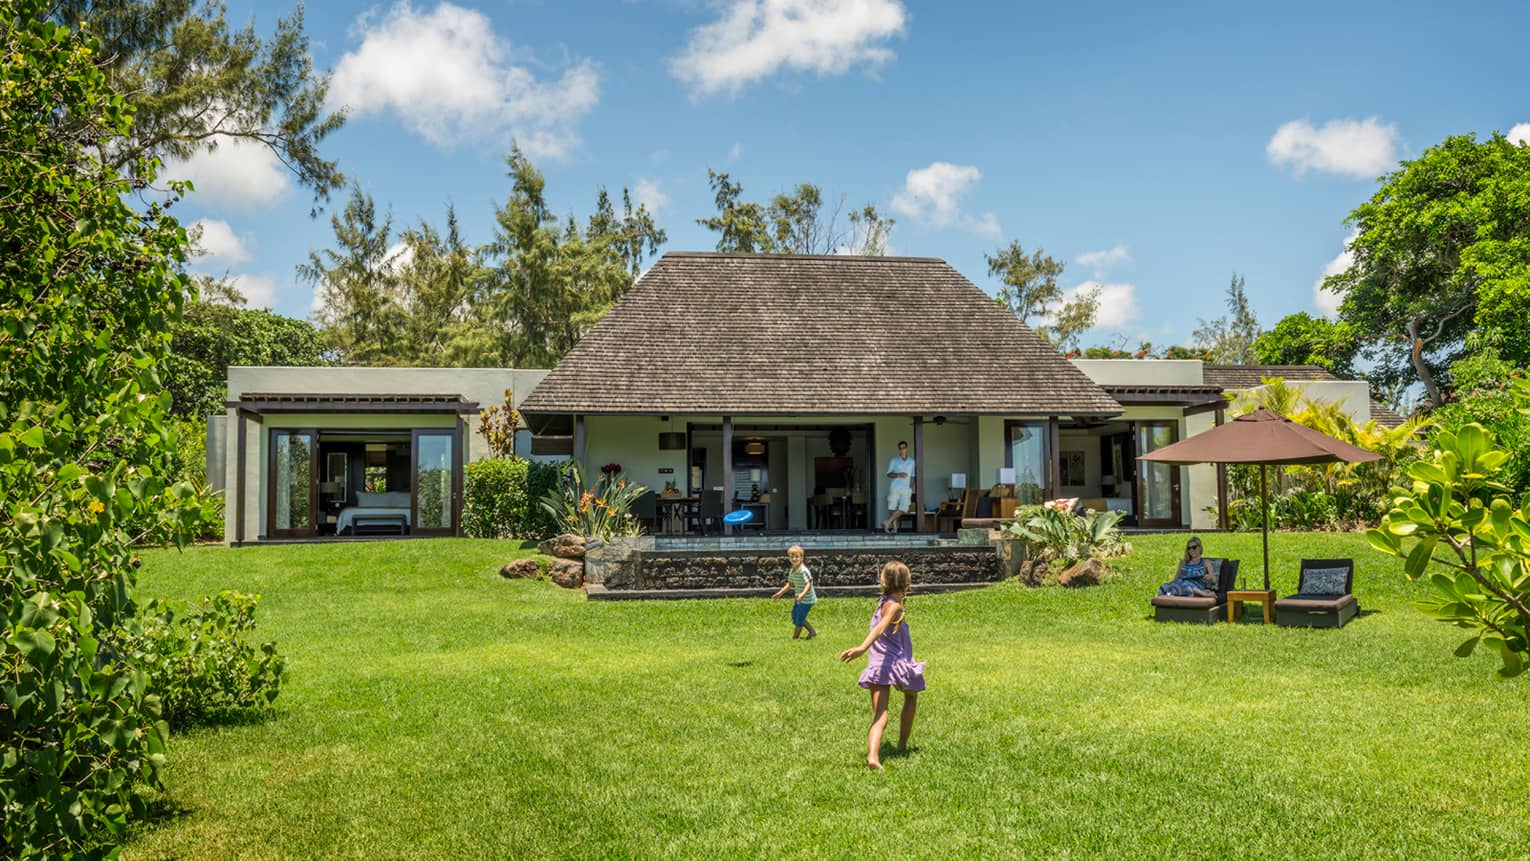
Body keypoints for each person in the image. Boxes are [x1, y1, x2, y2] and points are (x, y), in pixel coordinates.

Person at [839, 560, 926, 770]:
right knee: (911, 697)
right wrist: (861, 648)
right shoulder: (894, 607)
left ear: (884, 581)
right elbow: (880, 628)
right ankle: (902, 744)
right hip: (897, 665)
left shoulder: (883, 602)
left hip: (878, 665)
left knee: (880, 714)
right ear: (907, 582)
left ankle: (873, 756)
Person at [770, 545, 817, 639]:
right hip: (798, 598)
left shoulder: (803, 571)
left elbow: (808, 584)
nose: (794, 559)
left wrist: (802, 595)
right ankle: (812, 632)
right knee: (795, 615)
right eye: (792, 557)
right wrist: (780, 593)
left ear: (802, 558)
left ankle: (795, 638)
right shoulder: (793, 570)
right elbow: (790, 584)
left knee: (799, 618)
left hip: (807, 599)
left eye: (797, 556)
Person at [882, 440, 916, 534]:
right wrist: (898, 475)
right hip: (895, 487)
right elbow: (888, 474)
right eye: (900, 448)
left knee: (904, 508)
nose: (902, 450)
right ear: (899, 449)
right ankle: (894, 528)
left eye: (904, 447)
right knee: (892, 507)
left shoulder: (912, 461)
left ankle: (887, 522)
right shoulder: (894, 460)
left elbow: (913, 476)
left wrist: (910, 487)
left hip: (906, 488)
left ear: (907, 448)